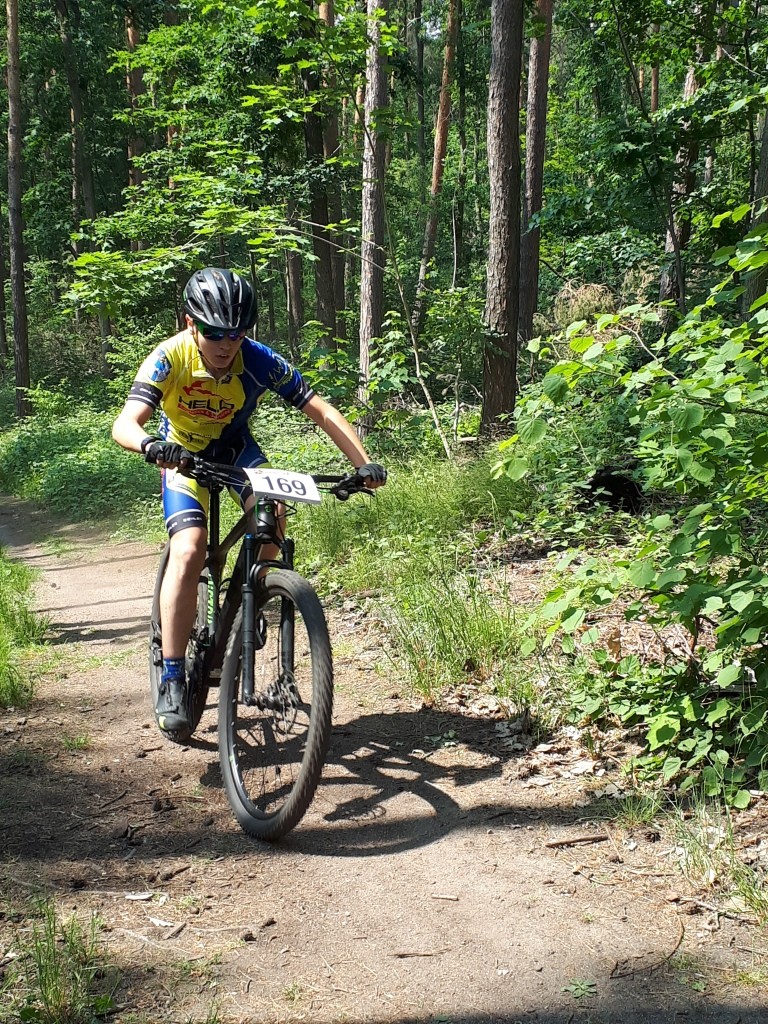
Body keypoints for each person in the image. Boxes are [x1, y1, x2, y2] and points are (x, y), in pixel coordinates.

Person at [112, 267, 386, 733]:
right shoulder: (168, 357)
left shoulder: (258, 359)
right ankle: (174, 675)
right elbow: (125, 423)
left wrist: (363, 464)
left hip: (238, 449)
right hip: (182, 454)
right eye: (215, 332)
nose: (225, 343)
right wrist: (151, 446)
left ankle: (249, 601)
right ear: (190, 324)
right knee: (189, 546)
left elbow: (318, 408)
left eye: (236, 334)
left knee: (273, 514)